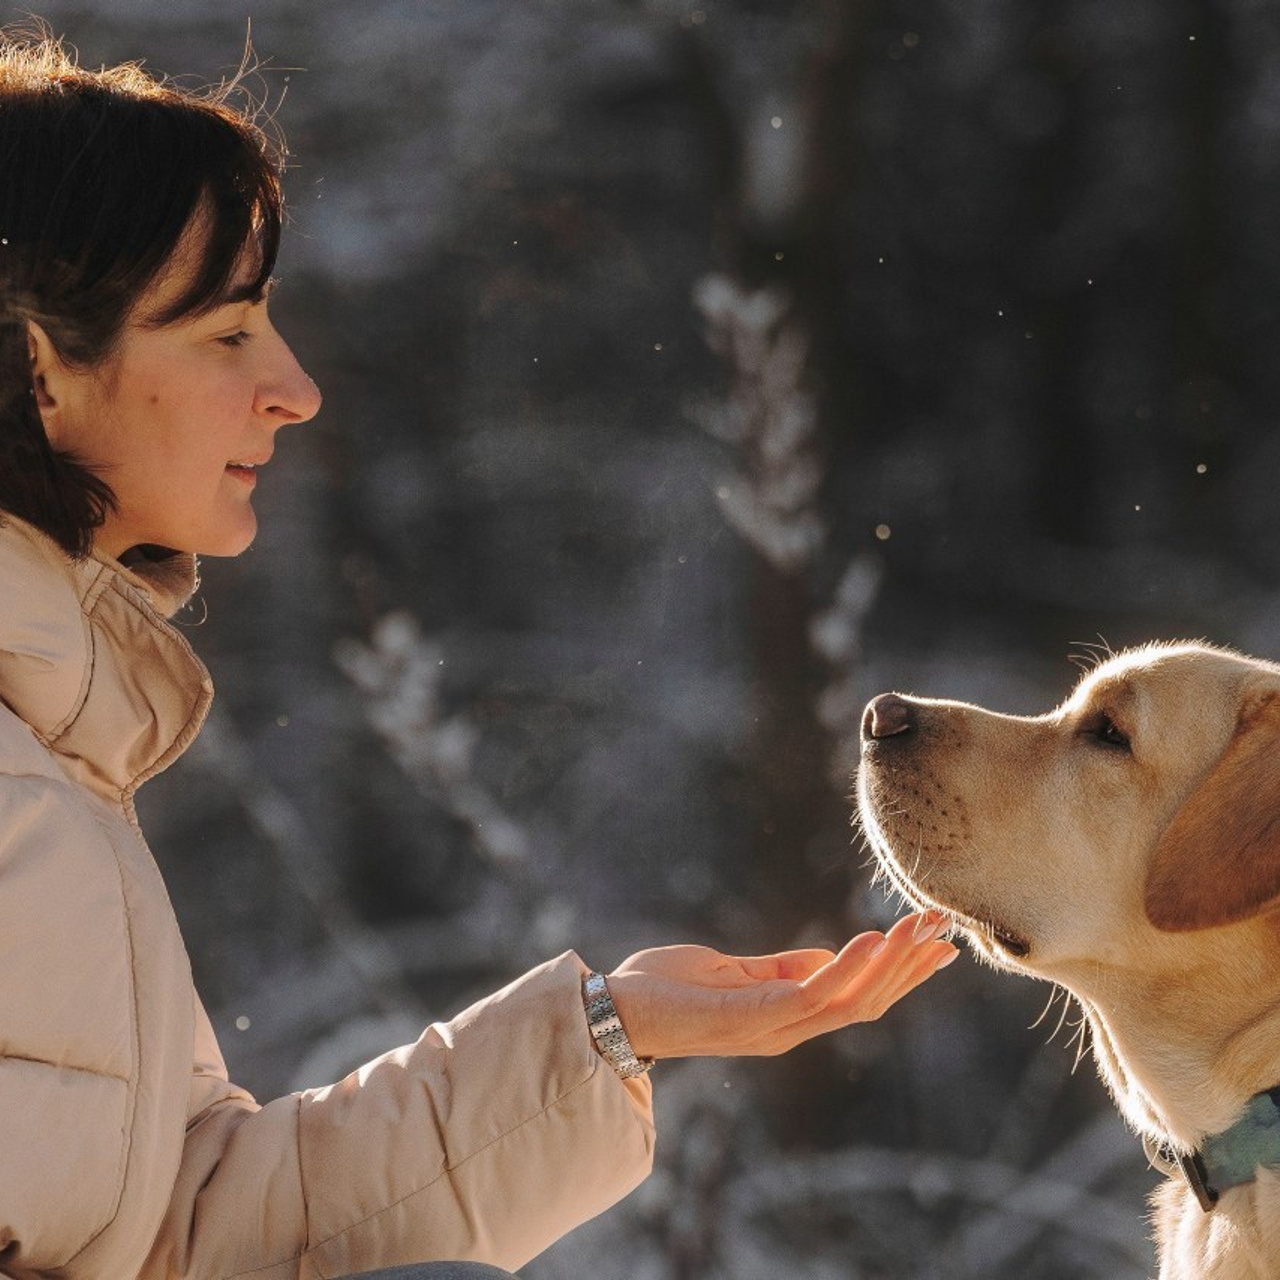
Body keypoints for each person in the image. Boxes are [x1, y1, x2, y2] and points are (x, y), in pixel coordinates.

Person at [0, 25, 959, 1279]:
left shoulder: (57, 771)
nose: (295, 386)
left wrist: (606, 1029)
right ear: (44, 371)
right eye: (228, 332)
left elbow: (182, 1231)